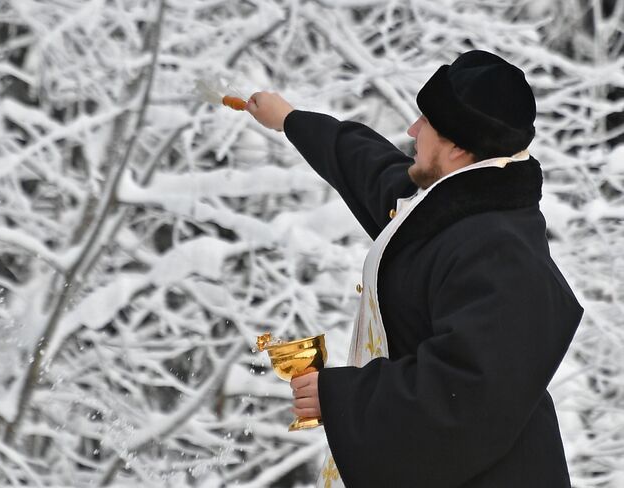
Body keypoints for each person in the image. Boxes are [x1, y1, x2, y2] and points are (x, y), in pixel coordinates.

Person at [246, 50, 583, 487]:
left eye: (426, 123)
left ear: (460, 148)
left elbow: (465, 395)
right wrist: (291, 119)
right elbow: (374, 171)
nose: (412, 130)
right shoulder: (460, 205)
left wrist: (340, 398)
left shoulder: (503, 255)